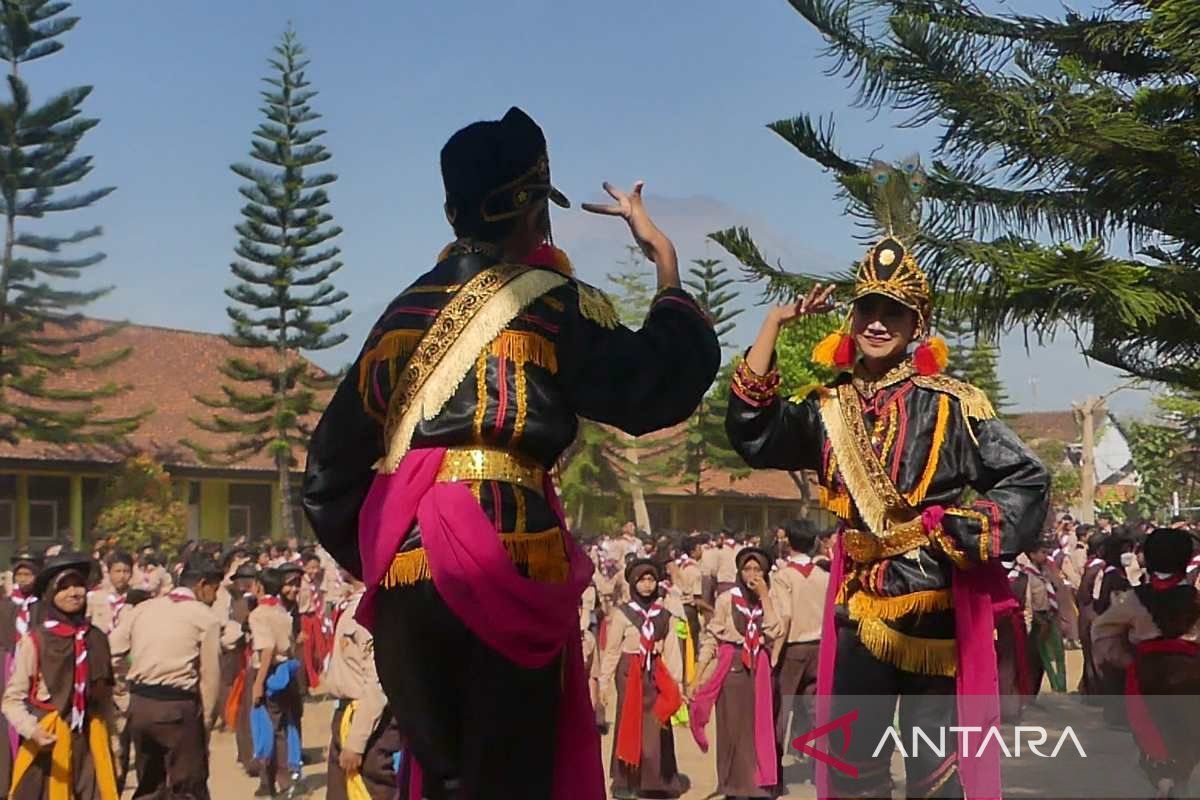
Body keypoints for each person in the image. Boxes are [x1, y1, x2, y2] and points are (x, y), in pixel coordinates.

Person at [303, 106, 719, 800]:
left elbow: (328, 477)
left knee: (445, 781)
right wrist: (667, 268)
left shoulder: (397, 318)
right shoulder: (553, 304)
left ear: (453, 213)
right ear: (531, 209)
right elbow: (656, 388)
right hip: (510, 551)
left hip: (406, 573)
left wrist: (389, 556)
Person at [725, 157, 1049, 799]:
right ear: (853, 319)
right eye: (867, 309)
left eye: (893, 313)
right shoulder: (826, 408)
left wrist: (961, 528)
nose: (877, 322)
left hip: (933, 606)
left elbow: (1028, 480)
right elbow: (753, 434)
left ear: (915, 327)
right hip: (854, 607)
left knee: (938, 773)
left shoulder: (953, 402)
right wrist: (770, 326)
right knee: (852, 766)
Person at [1091, 528, 1200, 799]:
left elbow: (1102, 631)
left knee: (1152, 732)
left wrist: (1126, 659)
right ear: (1186, 559)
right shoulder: (1196, 598)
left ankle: (1163, 779)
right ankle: (1180, 779)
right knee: (1188, 733)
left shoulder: (1134, 599)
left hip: (1147, 674)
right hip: (1192, 674)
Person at [2, 552, 117, 800]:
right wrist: (32, 730)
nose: (74, 593)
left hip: (91, 741)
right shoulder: (35, 641)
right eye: (63, 587)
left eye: (78, 585)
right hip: (48, 742)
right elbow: (12, 700)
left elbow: (106, 700)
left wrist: (112, 744)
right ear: (50, 595)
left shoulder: (96, 638)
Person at [111, 556, 223, 799]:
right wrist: (206, 723)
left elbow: (114, 653)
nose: (215, 598)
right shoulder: (205, 617)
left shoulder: (143, 608)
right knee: (188, 785)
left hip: (140, 707)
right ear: (202, 585)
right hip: (178, 709)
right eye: (215, 590)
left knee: (149, 783)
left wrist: (122, 694)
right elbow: (210, 678)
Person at [689, 548, 784, 799]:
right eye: (747, 569)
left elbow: (775, 630)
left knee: (759, 725)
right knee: (732, 727)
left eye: (757, 569)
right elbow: (711, 637)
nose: (752, 574)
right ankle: (733, 785)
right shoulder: (726, 599)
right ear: (739, 572)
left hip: (760, 667)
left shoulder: (773, 596)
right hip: (732, 667)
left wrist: (764, 596)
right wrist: (698, 676)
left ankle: (759, 783)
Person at [598, 559, 684, 799]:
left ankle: (658, 780)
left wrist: (676, 682)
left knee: (657, 725)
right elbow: (612, 650)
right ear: (633, 583)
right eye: (642, 580)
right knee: (630, 723)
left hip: (655, 673)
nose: (647, 585)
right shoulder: (623, 613)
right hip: (630, 673)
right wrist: (604, 681)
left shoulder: (664, 614)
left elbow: (672, 649)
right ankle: (628, 779)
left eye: (651, 579)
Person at [323, 573, 402, 800]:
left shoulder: (369, 610)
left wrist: (356, 741)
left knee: (372, 790)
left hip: (366, 721)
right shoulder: (352, 604)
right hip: (348, 714)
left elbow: (377, 682)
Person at [769, 519, 829, 774]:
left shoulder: (783, 576)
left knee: (782, 710)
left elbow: (785, 616)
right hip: (820, 647)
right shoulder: (824, 576)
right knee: (818, 711)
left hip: (793, 648)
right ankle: (822, 771)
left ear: (788, 542)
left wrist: (774, 655)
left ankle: (774, 773)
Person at [249, 568, 303, 797]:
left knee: (265, 728)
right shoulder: (281, 611)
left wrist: (259, 683)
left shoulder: (259, 614)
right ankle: (285, 780)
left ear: (259, 587)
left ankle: (269, 782)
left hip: (269, 672)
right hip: (284, 672)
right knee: (281, 728)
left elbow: (268, 648)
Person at [0, 550, 40, 796]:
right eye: (20, 574)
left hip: (32, 666)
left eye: (29, 574)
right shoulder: (5, 606)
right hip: (5, 666)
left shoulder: (42, 606)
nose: (24, 579)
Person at [1022, 538, 1068, 693]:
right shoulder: (1027, 574)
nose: (1045, 555)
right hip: (1038, 618)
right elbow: (1028, 601)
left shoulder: (1045, 571)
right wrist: (1037, 619)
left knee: (1059, 651)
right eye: (1042, 552)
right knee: (1041, 655)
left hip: (1051, 614)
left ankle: (1061, 685)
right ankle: (1053, 684)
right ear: (1032, 555)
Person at [1076, 532, 1108, 696]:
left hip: (1085, 614)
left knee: (1089, 656)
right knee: (1095, 657)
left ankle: (1089, 690)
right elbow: (1084, 594)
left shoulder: (1091, 565)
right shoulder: (1099, 568)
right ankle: (1095, 692)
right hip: (1093, 613)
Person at [296, 550, 331, 691]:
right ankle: (310, 680)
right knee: (307, 650)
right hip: (304, 617)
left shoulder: (317, 581)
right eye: (310, 567)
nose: (314, 571)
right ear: (304, 567)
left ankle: (319, 674)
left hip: (315, 616)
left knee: (321, 647)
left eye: (316, 567)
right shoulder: (299, 583)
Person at [675, 536, 710, 657]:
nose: (701, 551)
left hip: (678, 609)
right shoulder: (694, 571)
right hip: (690, 610)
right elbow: (696, 598)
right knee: (693, 645)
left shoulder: (682, 566)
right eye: (699, 548)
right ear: (693, 552)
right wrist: (710, 610)